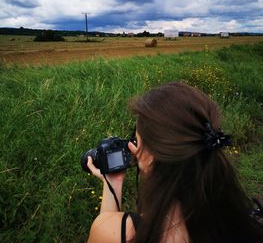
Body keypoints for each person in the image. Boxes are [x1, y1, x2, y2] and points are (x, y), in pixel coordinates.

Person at [86, 81, 263, 243]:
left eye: (136, 140)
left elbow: (107, 226)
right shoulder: (248, 223)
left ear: (150, 157)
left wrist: (112, 184)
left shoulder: (118, 232)